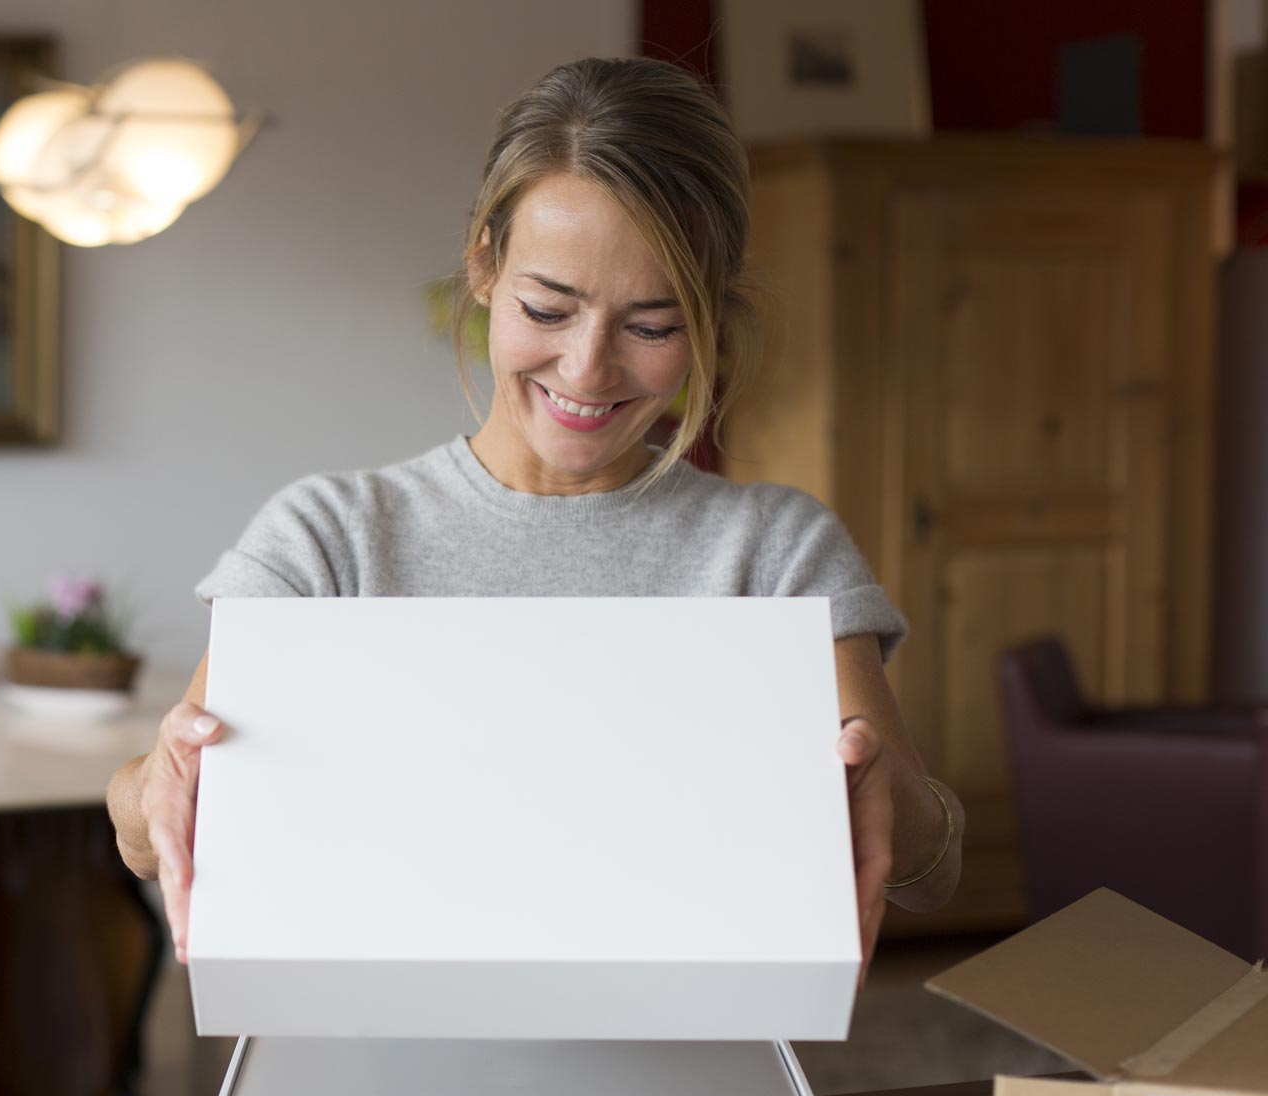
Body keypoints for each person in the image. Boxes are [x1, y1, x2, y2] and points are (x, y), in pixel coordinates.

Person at [108, 56, 962, 972]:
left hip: (688, 1067)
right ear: (484, 265)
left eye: (653, 326)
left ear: (709, 316)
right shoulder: (328, 539)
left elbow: (927, 867)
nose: (588, 369)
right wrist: (156, 784)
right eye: (548, 308)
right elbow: (144, 829)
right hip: (378, 1058)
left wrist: (891, 800)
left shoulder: (778, 552)